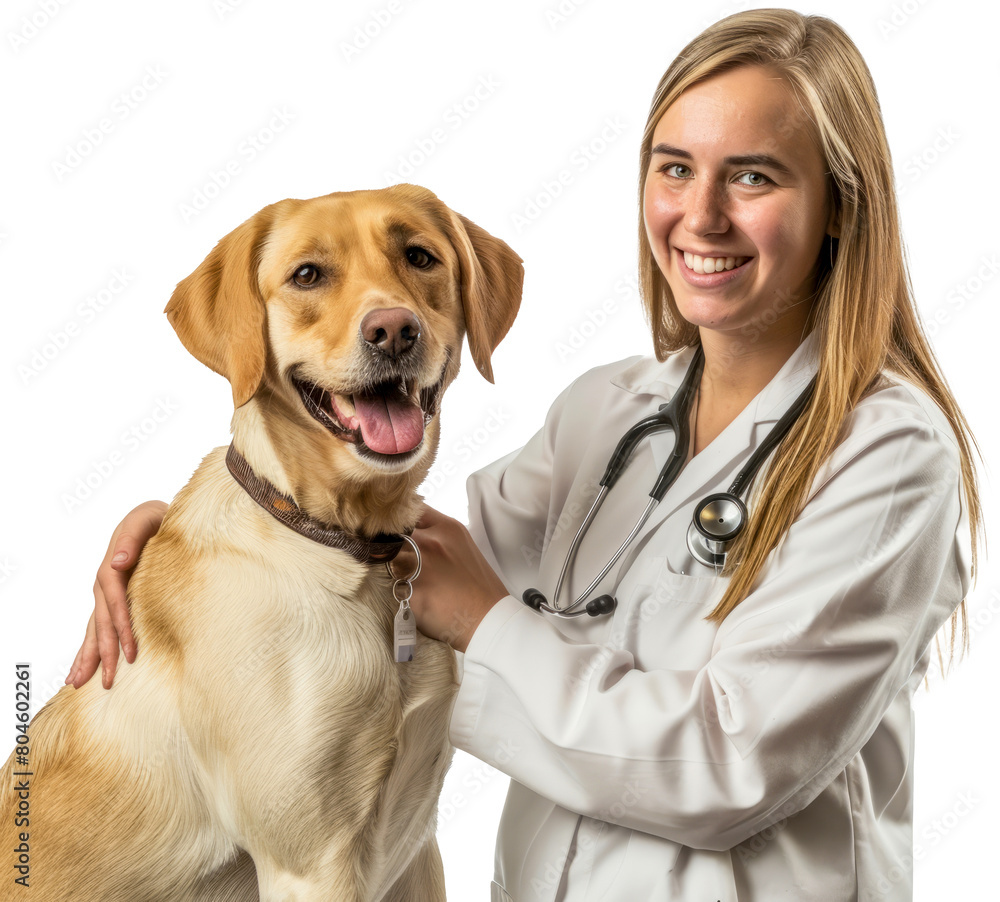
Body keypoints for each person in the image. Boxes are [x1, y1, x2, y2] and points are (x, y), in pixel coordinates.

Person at [67, 9, 981, 901]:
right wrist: (211, 539)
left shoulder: (891, 456)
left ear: (839, 207)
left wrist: (489, 622)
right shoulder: (608, 412)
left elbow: (729, 768)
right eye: (675, 168)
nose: (701, 215)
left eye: (752, 177)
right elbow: (389, 567)